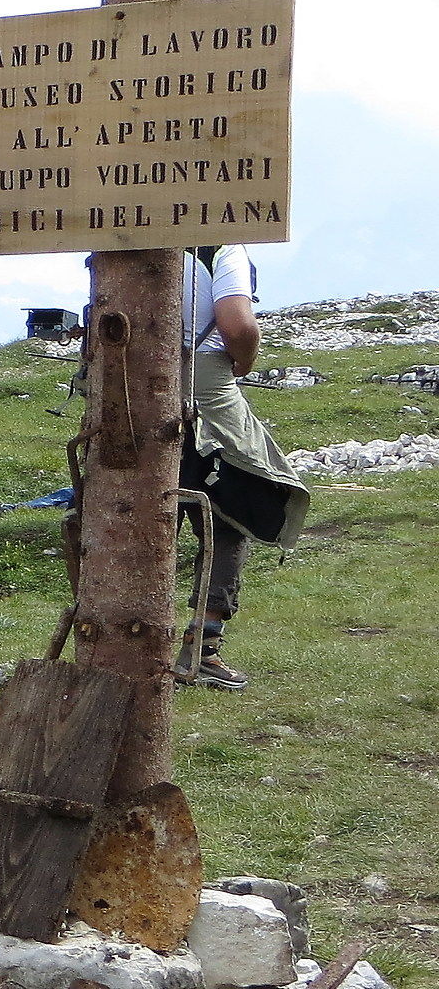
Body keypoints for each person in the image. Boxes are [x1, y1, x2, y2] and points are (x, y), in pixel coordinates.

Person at [181, 244, 311, 691]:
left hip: (122, 384)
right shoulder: (221, 247)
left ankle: (122, 642)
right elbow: (237, 323)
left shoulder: (131, 236)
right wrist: (245, 360)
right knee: (232, 511)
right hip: (204, 384)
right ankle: (203, 647)